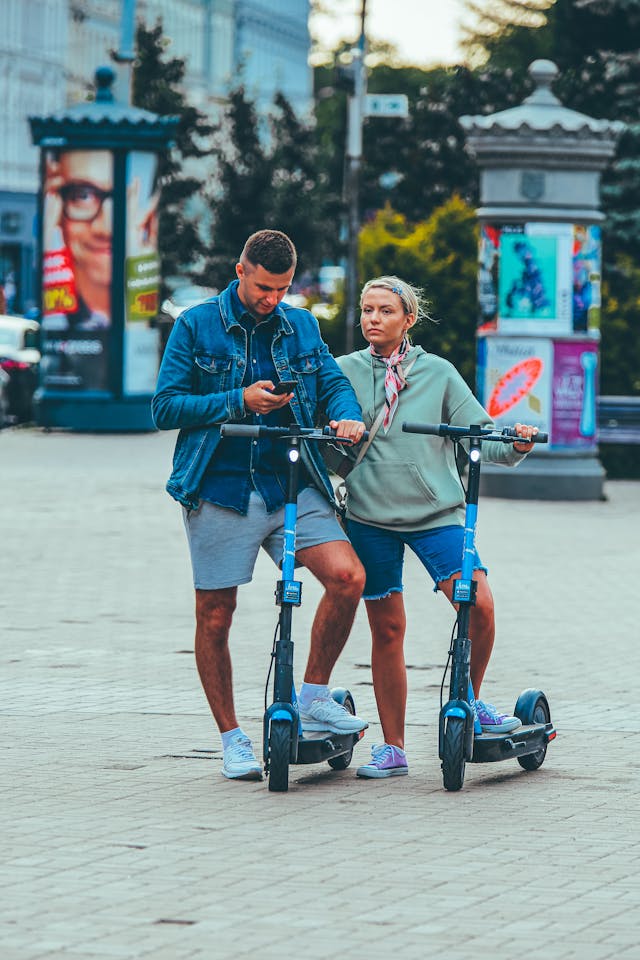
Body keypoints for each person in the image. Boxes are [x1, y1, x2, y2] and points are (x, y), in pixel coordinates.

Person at [152, 230, 368, 781]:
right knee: (216, 614)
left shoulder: (301, 326)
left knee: (347, 578)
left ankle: (312, 696)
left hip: (291, 481)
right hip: (220, 486)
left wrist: (346, 414)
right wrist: (237, 401)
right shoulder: (194, 325)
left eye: (284, 289)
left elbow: (333, 381)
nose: (274, 299)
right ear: (240, 269)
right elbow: (165, 407)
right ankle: (231, 738)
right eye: (265, 288)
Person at [329, 275, 539, 780]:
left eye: (384, 310)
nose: (373, 319)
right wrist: (335, 437)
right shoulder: (342, 372)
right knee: (388, 629)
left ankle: (470, 699)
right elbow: (324, 444)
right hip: (368, 518)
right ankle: (393, 748)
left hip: (436, 516)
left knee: (479, 604)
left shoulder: (439, 373)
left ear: (408, 319)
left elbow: (479, 437)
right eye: (366, 310)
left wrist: (516, 444)